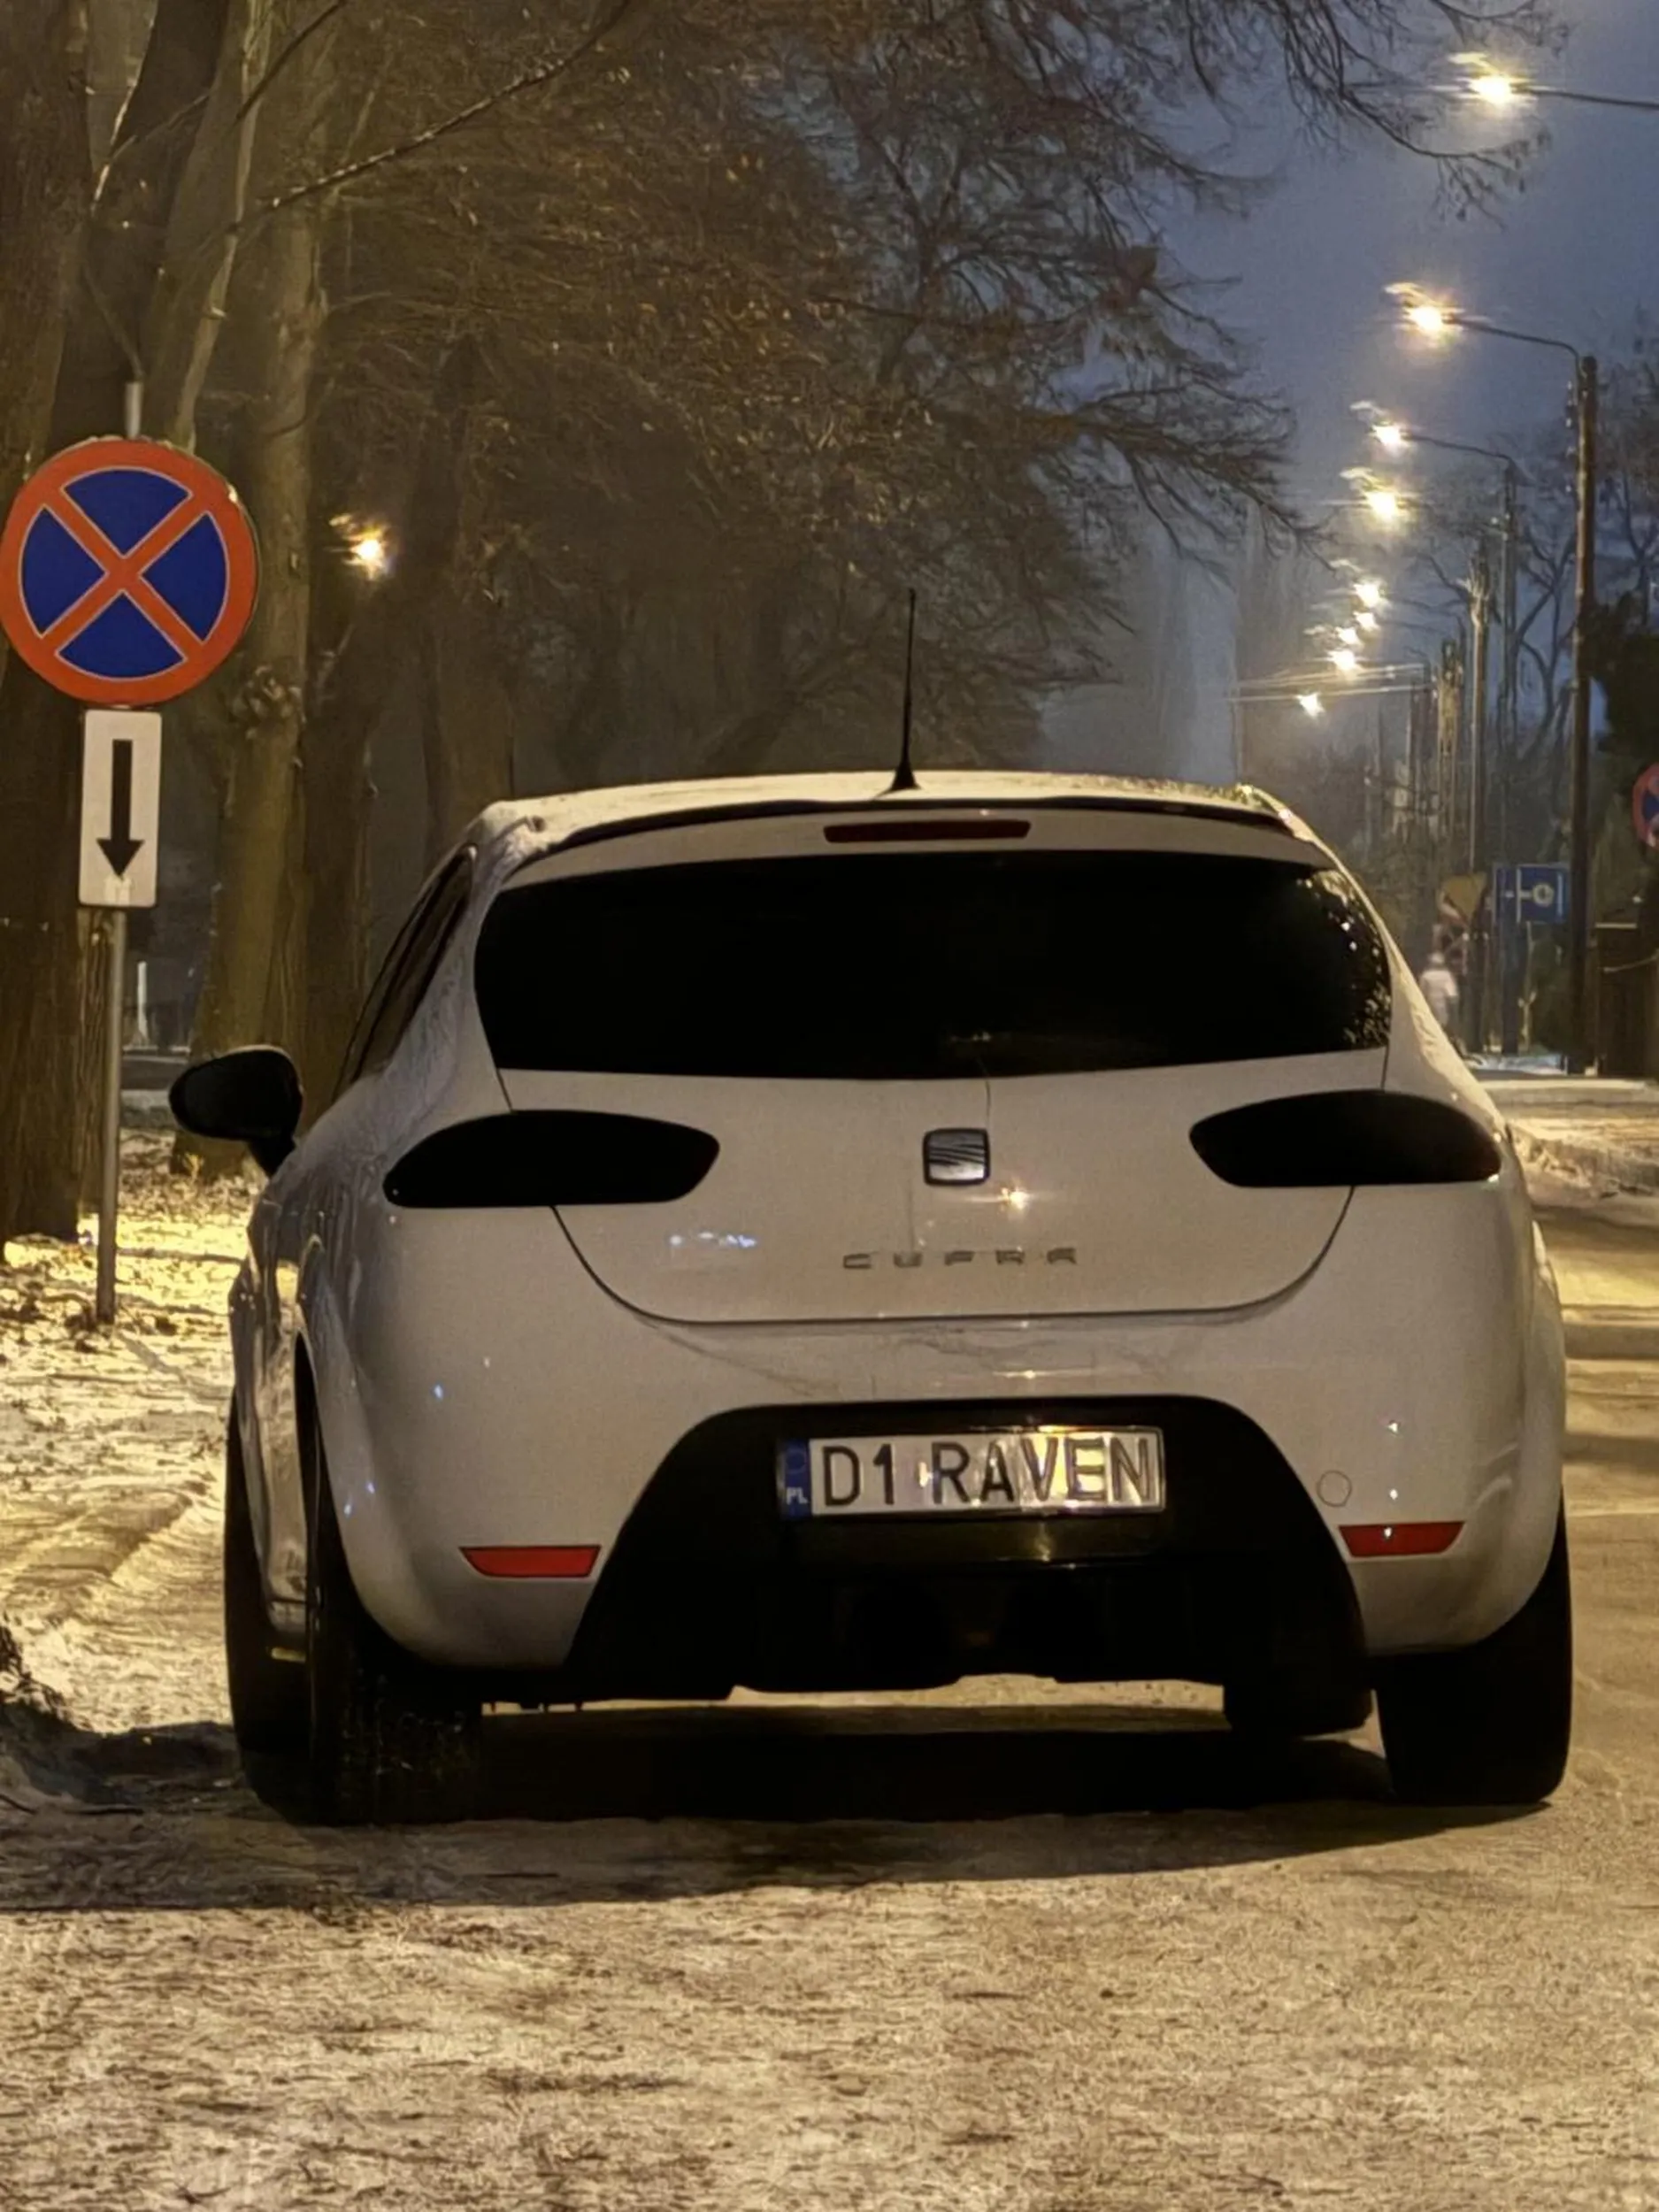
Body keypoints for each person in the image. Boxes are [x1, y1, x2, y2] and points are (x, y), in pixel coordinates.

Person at [1418, 947, 1460, 1041]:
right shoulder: (1447, 976)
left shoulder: (1425, 976)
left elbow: (1421, 995)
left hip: (1429, 1010)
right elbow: (1452, 996)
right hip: (1443, 1012)